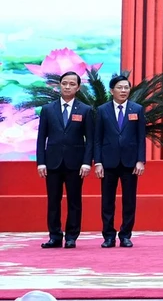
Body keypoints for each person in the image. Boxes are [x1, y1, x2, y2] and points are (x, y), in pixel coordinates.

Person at [35, 71, 93, 249]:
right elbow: (41, 138)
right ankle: (55, 236)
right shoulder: (48, 109)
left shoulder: (85, 110)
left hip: (75, 164)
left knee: (74, 201)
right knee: (53, 200)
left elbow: (90, 139)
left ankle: (71, 237)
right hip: (52, 162)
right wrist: (41, 162)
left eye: (72, 84)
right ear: (59, 85)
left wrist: (86, 162)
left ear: (78, 87)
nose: (67, 87)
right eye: (64, 83)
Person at [93, 75, 147, 248]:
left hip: (130, 162)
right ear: (111, 91)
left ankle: (125, 235)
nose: (123, 91)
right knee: (107, 200)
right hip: (108, 162)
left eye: (126, 87)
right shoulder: (102, 110)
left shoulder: (137, 109)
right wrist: (98, 162)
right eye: (120, 87)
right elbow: (97, 139)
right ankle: (108, 236)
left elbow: (141, 137)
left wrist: (140, 160)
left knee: (129, 200)